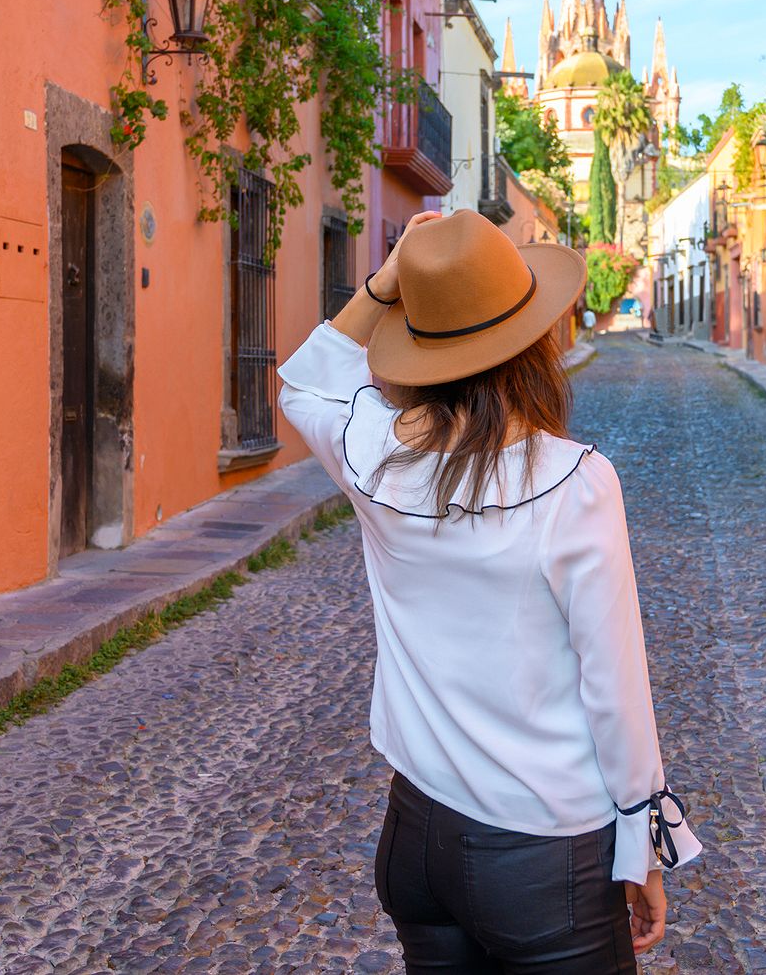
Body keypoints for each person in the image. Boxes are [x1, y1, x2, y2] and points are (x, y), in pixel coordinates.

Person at [278, 209, 700, 972]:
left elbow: (308, 377)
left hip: (415, 840)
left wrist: (387, 277)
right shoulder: (573, 482)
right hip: (544, 857)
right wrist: (640, 840)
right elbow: (614, 690)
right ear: (533, 344)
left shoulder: (371, 456)